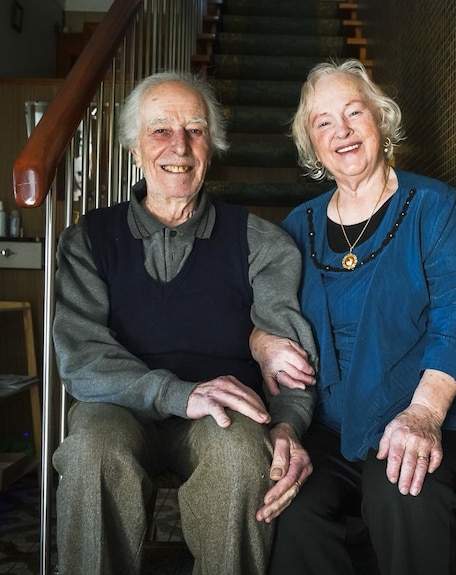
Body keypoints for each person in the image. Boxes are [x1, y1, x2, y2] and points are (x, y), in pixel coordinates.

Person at [51, 70, 319, 575]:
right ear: (134, 148)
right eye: (160, 130)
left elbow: (288, 351)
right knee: (90, 452)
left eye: (195, 129)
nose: (180, 145)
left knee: (243, 456)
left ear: (211, 146)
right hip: (117, 406)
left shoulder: (261, 243)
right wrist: (178, 393)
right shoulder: (88, 241)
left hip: (223, 409)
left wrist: (289, 423)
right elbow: (82, 358)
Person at [265, 59, 456, 575]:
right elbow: (265, 310)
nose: (341, 130)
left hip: (429, 408)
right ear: (312, 144)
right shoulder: (297, 226)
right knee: (290, 505)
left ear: (380, 121)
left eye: (353, 112)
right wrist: (262, 341)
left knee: (401, 487)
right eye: (323, 122)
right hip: (331, 423)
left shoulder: (433, 206)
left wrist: (424, 414)